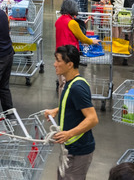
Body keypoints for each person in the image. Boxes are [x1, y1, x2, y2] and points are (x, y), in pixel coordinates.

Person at [44, 45, 98, 180]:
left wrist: (69, 133)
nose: (54, 64)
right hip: (70, 149)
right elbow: (73, 104)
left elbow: (92, 119)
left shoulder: (77, 88)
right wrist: (57, 110)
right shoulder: (71, 83)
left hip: (78, 151)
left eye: (58, 61)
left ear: (69, 64)